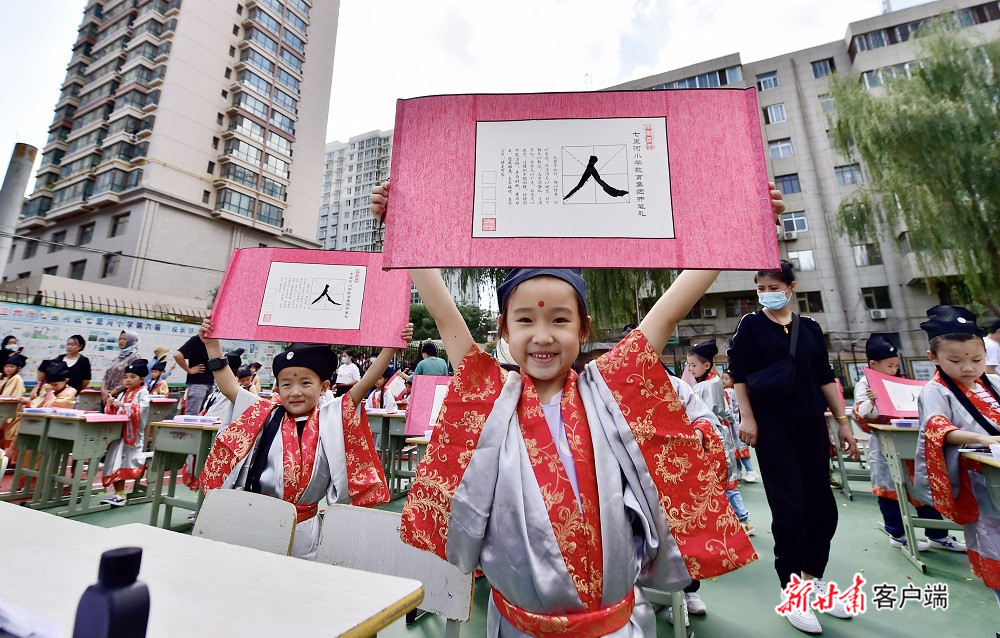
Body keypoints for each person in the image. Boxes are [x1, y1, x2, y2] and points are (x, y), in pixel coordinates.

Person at [373, 180, 780, 637]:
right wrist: (402, 226)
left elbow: (668, 311)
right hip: (518, 627)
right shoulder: (489, 396)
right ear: (504, 330)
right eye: (525, 320)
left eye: (560, 320)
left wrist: (741, 221)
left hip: (614, 627)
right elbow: (446, 314)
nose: (542, 335)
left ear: (583, 330)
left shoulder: (609, 389)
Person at [199, 318, 413, 559]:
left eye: (305, 383)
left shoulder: (329, 417)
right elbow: (229, 387)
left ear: (324, 387)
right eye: (287, 384)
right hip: (256, 519)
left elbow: (364, 384)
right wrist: (212, 345)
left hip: (305, 529)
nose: (296, 391)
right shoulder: (264, 413)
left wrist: (392, 345)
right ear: (277, 389)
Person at [728, 259, 858, 635]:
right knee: (789, 507)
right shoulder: (750, 326)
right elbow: (738, 376)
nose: (766, 293)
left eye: (772, 286)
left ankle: (813, 578)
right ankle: (793, 592)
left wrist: (843, 421)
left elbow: (825, 376)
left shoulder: (811, 329)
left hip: (812, 425)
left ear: (791, 287)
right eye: (760, 287)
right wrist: (747, 418)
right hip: (772, 429)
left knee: (822, 505)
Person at [913, 305, 1000, 608]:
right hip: (980, 473)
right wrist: (981, 438)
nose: (968, 368)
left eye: (976, 360)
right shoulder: (935, 390)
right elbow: (936, 428)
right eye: (955, 360)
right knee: (994, 538)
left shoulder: (994, 384)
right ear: (933, 358)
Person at [853, 334, 965, 552]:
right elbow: (863, 414)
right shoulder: (864, 384)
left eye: (896, 365)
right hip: (885, 444)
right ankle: (897, 534)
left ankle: (938, 535)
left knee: (922, 489)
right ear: (873, 364)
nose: (894, 369)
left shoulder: (899, 381)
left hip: (910, 442)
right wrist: (871, 401)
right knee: (889, 489)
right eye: (889, 365)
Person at [687, 339, 755, 537]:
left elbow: (708, 414)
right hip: (714, 435)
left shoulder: (708, 386)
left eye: (693, 365)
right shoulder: (710, 382)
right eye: (688, 365)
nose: (690, 369)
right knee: (721, 481)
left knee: (725, 481)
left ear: (706, 365)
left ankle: (744, 519)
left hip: (715, 437)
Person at [101, 358, 150, 507]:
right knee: (114, 463)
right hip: (120, 434)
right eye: (125, 377)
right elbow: (118, 410)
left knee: (123, 462)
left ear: (141, 379)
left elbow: (142, 409)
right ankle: (119, 494)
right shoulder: (125, 393)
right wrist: (111, 405)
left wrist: (123, 405)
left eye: (132, 377)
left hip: (132, 435)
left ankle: (121, 495)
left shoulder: (143, 392)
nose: (128, 380)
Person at [722, 369, 758, 482]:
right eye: (722, 378)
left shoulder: (729, 392)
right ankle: (738, 471)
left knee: (739, 447)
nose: (723, 381)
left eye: (726, 379)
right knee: (735, 449)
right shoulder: (730, 391)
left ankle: (750, 470)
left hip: (735, 424)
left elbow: (730, 409)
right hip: (733, 424)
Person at [173, 334, 214, 415]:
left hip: (210, 381)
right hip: (197, 383)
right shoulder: (196, 339)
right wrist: (189, 370)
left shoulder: (213, 340)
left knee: (206, 413)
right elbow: (177, 355)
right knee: (192, 414)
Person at [102, 331, 140, 406]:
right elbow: (106, 376)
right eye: (119, 339)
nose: (121, 341)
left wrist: (110, 393)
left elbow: (130, 379)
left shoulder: (135, 357)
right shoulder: (119, 357)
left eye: (124, 339)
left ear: (131, 340)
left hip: (120, 399)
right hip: (106, 397)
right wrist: (103, 390)